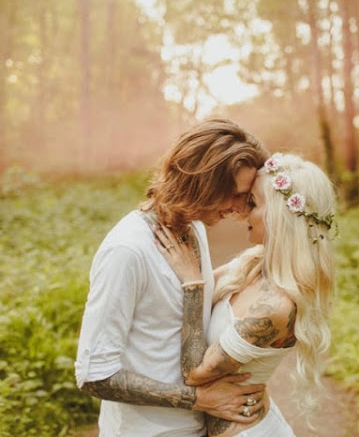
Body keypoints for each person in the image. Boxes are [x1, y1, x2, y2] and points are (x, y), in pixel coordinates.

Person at [74, 118, 269, 436]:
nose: (240, 208)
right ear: (203, 183)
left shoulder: (195, 228)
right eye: (235, 194)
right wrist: (201, 399)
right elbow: (94, 374)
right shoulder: (127, 250)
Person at [153, 152, 336, 436]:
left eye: (252, 204)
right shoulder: (252, 264)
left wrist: (193, 284)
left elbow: (195, 373)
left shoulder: (276, 307)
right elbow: (183, 288)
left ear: (280, 215)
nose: (241, 214)